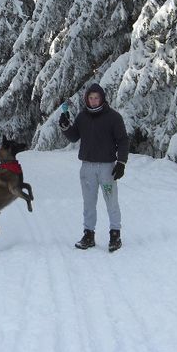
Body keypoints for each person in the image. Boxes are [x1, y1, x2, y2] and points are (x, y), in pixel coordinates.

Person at [59, 83, 129, 252]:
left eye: (96, 98)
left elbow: (123, 140)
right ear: (87, 99)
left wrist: (121, 163)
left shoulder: (113, 117)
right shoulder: (83, 117)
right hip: (87, 168)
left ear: (102, 98)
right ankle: (88, 235)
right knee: (89, 203)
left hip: (107, 168)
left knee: (111, 202)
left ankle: (115, 235)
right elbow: (74, 137)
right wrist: (66, 127)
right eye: (90, 98)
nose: (94, 101)